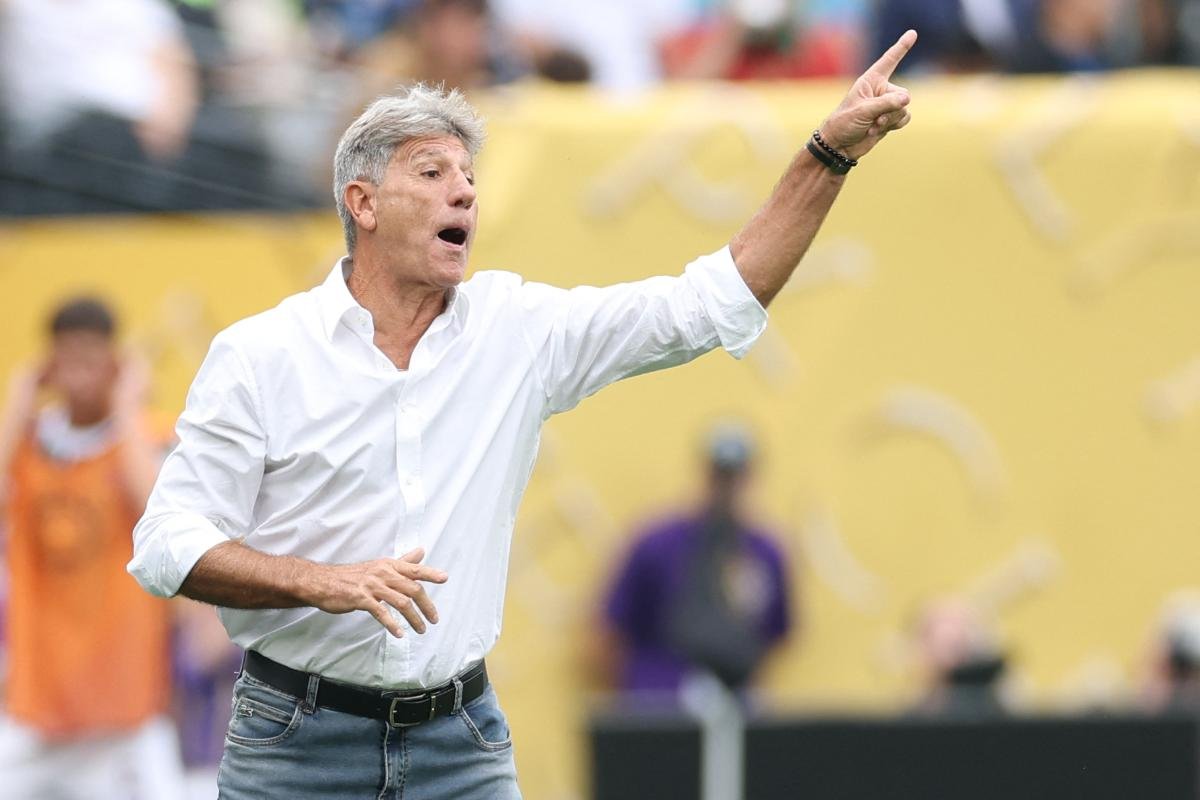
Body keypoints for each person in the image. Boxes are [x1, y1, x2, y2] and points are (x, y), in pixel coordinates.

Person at [127, 30, 919, 799]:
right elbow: (167, 546)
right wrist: (321, 582)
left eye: (468, 176)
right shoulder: (260, 355)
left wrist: (831, 152)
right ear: (361, 202)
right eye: (431, 172)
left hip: (458, 739)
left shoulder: (518, 331)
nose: (463, 191)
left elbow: (715, 299)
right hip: (294, 743)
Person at [0, 298, 186, 799]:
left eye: (92, 355)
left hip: (125, 704)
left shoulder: (145, 435)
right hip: (41, 705)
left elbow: (158, 512)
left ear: (115, 360)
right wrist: (19, 401)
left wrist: (127, 406)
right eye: (67, 356)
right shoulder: (27, 441)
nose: (79, 371)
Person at [600, 424, 792, 696]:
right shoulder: (656, 543)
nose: (727, 487)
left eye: (735, 476)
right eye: (720, 475)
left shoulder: (765, 551)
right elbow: (610, 630)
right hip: (659, 700)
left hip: (733, 702)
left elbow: (774, 635)